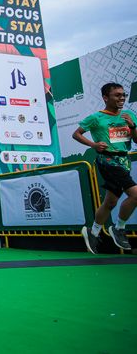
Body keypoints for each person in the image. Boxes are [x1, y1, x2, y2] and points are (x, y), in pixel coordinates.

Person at [74, 83, 137, 253]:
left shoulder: (129, 115)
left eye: (123, 95)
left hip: (124, 160)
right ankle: (119, 228)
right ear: (105, 98)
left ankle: (93, 232)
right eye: (117, 95)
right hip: (107, 160)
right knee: (135, 195)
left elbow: (136, 139)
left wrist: (132, 126)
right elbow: (76, 134)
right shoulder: (96, 118)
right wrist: (93, 145)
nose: (121, 98)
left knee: (110, 202)